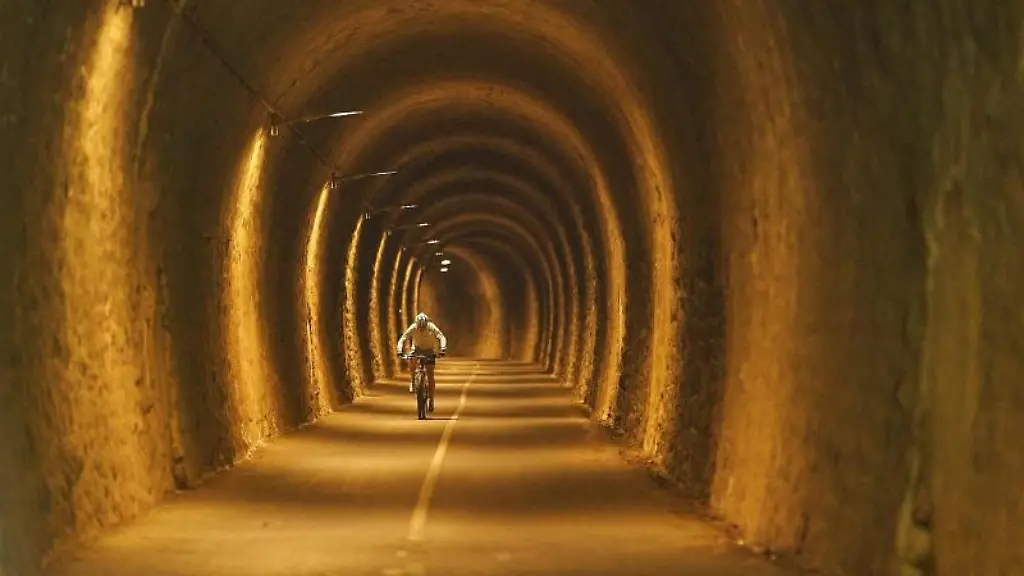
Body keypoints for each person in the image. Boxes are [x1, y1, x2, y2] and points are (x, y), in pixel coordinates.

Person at [396, 312, 447, 412]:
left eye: (423, 327)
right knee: (412, 359)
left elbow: (441, 337)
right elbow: (403, 338)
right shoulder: (413, 327)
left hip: (429, 350)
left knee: (430, 375)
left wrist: (443, 348)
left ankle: (431, 400)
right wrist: (399, 350)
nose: (421, 329)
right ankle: (413, 381)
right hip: (417, 349)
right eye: (419, 327)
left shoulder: (431, 327)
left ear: (426, 324)